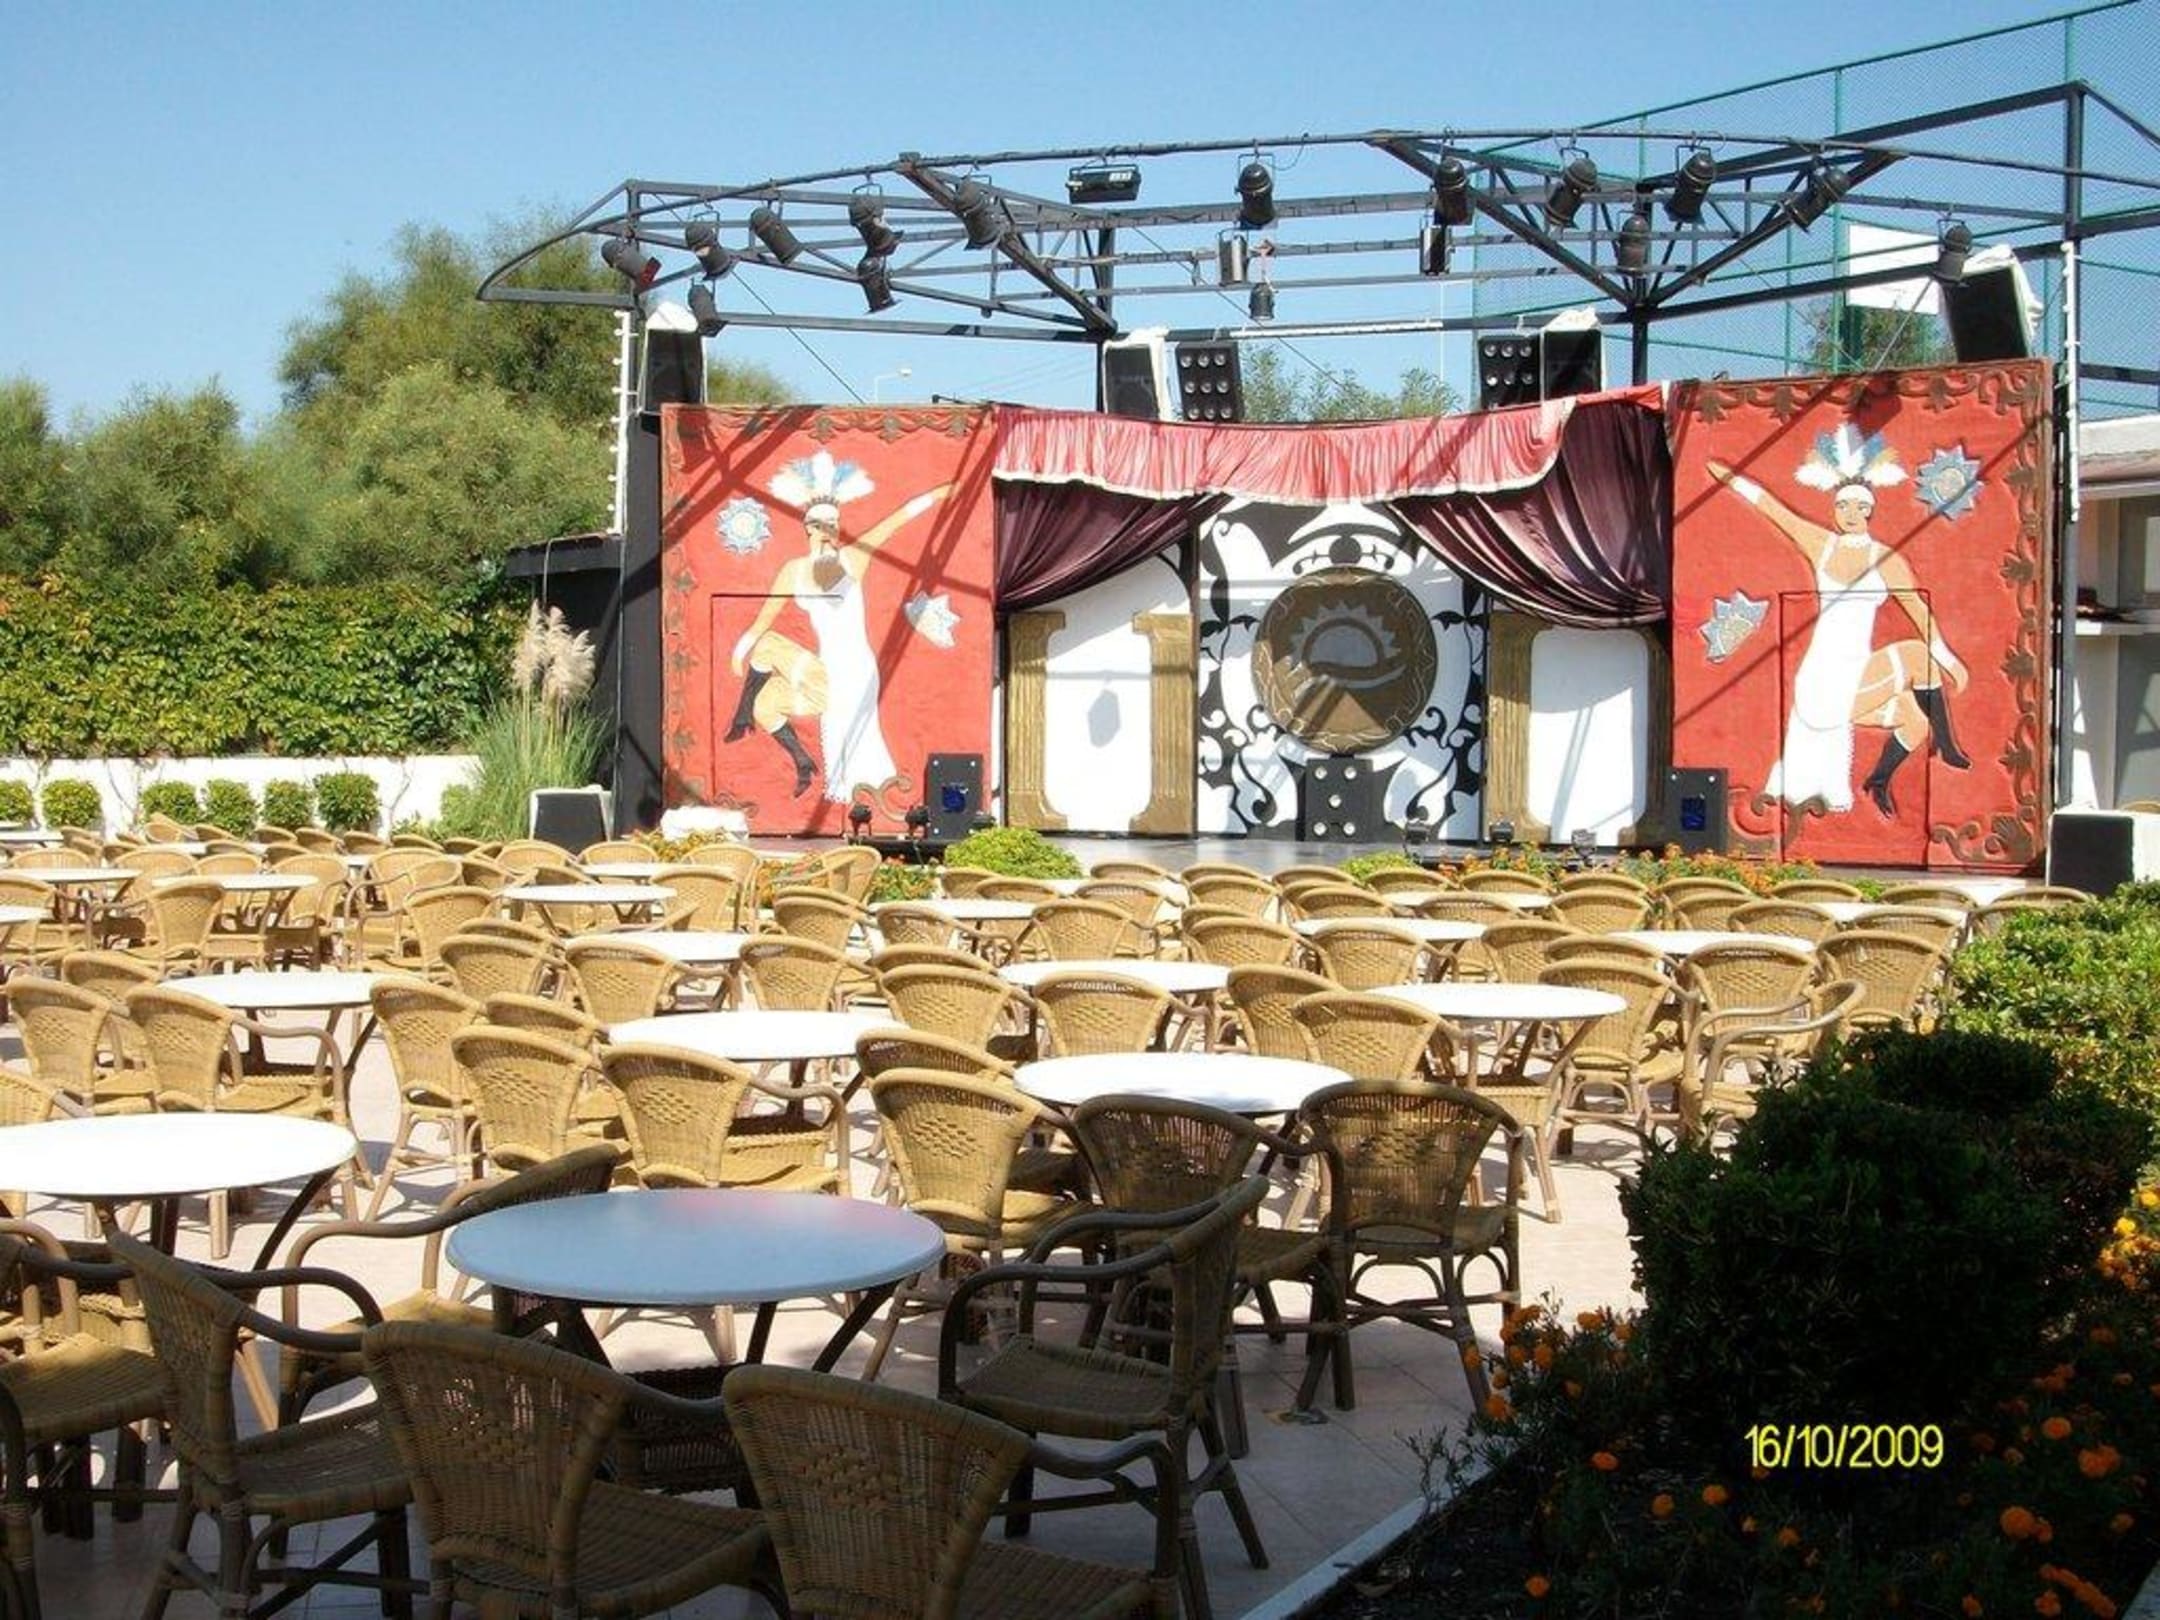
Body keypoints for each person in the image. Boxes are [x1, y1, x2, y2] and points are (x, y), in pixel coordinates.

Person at [1706, 457, 1968, 817]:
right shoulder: (1821, 545)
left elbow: (1917, 609)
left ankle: (1878, 781)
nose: (1851, 513)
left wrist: (1949, 660)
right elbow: (1776, 511)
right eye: (1843, 505)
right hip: (1823, 676)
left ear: (1870, 511)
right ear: (1834, 509)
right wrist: (1732, 478)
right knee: (1913, 654)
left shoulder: (1885, 559)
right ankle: (1947, 744)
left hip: (1859, 672)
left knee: (1915, 719)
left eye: (1860, 506)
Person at [723, 484, 953, 799]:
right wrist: (739, 652)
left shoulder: (852, 558)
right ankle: (803, 763)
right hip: (823, 673)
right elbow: (765, 618)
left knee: (770, 645)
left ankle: (741, 716)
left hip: (854, 670)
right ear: (808, 527)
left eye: (832, 524)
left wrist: (934, 495)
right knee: (766, 703)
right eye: (820, 524)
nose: (827, 531)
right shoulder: (794, 571)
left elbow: (893, 522)